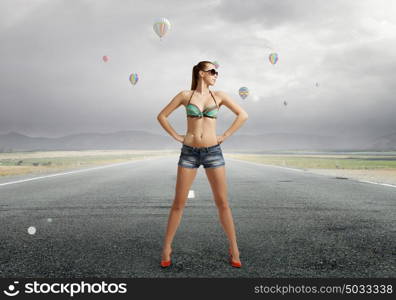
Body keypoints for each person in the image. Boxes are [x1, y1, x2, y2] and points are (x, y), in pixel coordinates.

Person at [156, 61, 248, 268]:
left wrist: (224, 135)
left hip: (213, 151)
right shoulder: (184, 95)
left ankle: (234, 248)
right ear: (201, 73)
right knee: (178, 203)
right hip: (189, 152)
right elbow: (161, 116)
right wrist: (176, 136)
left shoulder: (220, 96)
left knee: (222, 202)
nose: (216, 75)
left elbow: (243, 115)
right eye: (212, 71)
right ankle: (166, 248)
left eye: (217, 72)